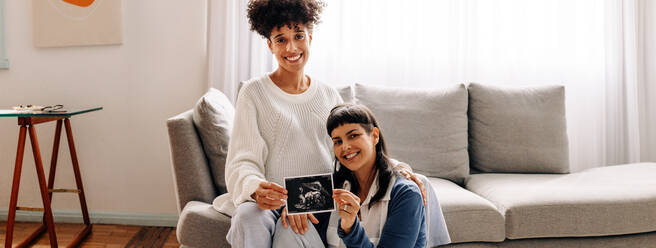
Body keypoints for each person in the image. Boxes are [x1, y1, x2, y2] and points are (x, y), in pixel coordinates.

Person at [212, 1, 428, 247]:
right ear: (270, 45)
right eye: (281, 39)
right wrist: (254, 188)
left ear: (310, 38)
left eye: (298, 36)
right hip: (270, 201)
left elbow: (351, 148)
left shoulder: (328, 95)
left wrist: (395, 166)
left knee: (291, 230)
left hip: (316, 201)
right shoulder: (254, 93)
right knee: (248, 218)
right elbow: (242, 161)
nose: (291, 47)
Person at [272, 103, 451, 247]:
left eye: (353, 136)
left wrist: (350, 228)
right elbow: (279, 208)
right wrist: (290, 209)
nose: (345, 147)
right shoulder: (331, 187)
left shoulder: (405, 193)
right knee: (287, 224)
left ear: (374, 136)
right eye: (338, 141)